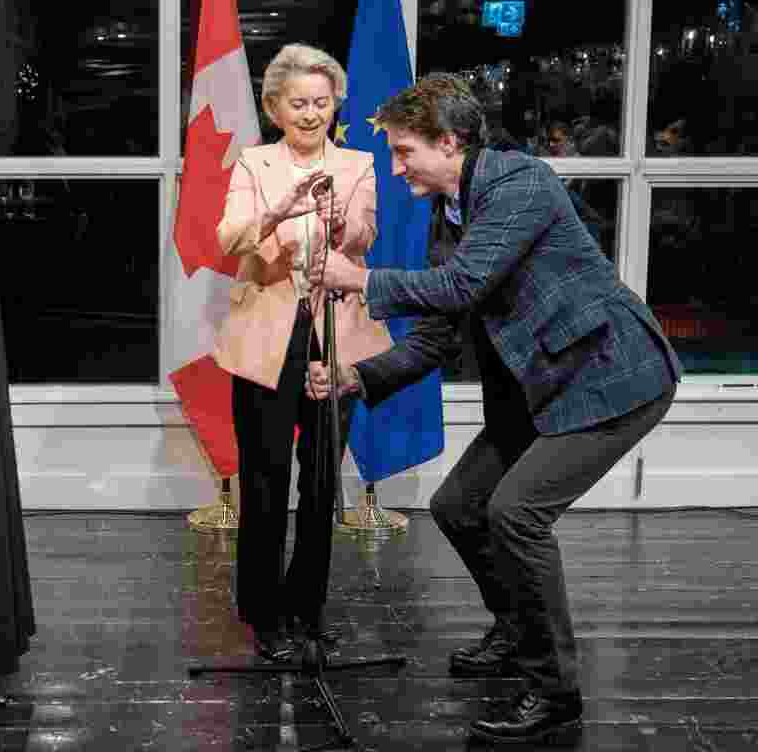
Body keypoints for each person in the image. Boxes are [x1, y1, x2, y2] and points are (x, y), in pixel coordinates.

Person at [306, 73, 681, 743]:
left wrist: (358, 278)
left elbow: (462, 284)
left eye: (404, 151)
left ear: (449, 142)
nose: (396, 168)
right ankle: (517, 629)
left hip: (610, 373)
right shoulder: (449, 211)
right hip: (540, 384)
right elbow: (440, 332)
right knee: (459, 506)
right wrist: (355, 379)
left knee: (517, 515)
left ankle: (555, 692)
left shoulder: (518, 183)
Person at [213, 43, 392, 662]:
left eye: (322, 102)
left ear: (336, 104)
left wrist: (342, 222)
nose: (312, 113)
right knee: (264, 479)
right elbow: (227, 237)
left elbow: (367, 236)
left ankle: (305, 610)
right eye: (299, 103)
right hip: (268, 337)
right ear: (274, 107)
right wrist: (278, 210)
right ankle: (262, 614)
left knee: (319, 482)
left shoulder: (360, 162)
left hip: (337, 336)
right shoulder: (253, 164)